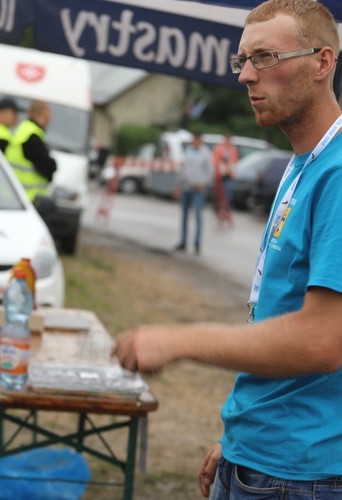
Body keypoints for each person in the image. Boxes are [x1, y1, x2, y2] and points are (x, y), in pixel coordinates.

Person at [114, 1, 342, 498]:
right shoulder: (304, 161)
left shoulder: (338, 173)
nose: (245, 76)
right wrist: (241, 437)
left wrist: (177, 341)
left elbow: (324, 340)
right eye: (242, 60)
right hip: (264, 454)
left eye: (264, 58)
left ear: (323, 62)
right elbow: (277, 316)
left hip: (301, 475)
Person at [4, 99, 57, 201]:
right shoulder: (32, 136)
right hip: (28, 197)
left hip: (15, 194)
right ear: (44, 114)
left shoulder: (23, 129)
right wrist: (53, 164)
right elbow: (47, 167)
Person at [173, 132, 212, 255]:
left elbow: (210, 172)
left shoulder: (206, 154)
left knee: (198, 216)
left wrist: (203, 183)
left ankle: (197, 243)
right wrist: (178, 186)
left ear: (200, 141)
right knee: (184, 216)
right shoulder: (188, 151)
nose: (194, 143)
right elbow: (183, 169)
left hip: (198, 190)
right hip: (186, 187)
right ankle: (183, 241)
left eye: (197, 141)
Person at [212, 133, 240, 207]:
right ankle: (219, 207)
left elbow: (235, 161)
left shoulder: (233, 149)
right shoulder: (219, 148)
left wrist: (229, 168)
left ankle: (226, 207)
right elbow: (215, 161)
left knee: (228, 192)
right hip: (220, 174)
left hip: (229, 174)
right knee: (219, 193)